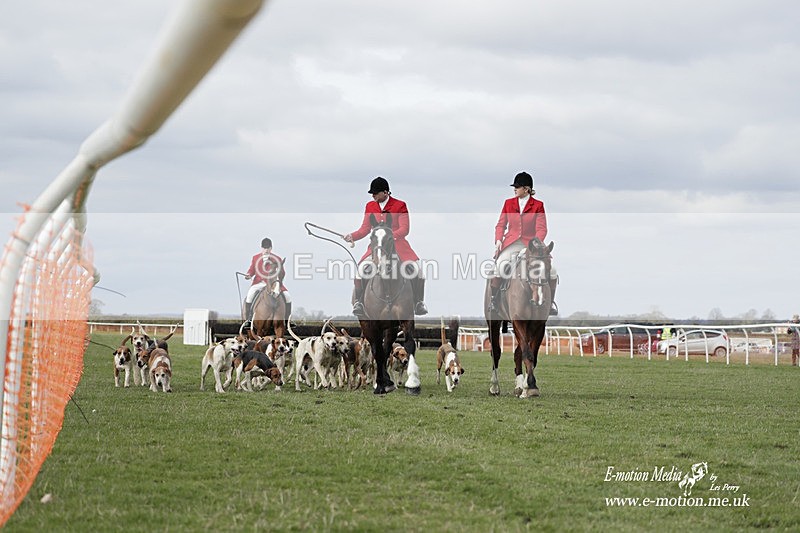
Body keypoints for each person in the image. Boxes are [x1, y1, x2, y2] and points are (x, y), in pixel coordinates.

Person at [343, 176, 428, 318]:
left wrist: (387, 236)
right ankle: (359, 302)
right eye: (372, 193)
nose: (373, 196)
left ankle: (419, 302)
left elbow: (404, 229)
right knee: (360, 271)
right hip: (376, 248)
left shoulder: (400, 205)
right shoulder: (370, 206)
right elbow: (365, 228)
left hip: (398, 246)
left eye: (376, 193)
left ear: (385, 192)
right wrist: (352, 236)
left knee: (418, 271)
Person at [488, 171, 558, 315]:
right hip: (512, 243)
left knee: (553, 270)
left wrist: (535, 244)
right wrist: (498, 240)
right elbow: (501, 225)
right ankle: (494, 300)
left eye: (517, 187)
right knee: (500, 267)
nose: (515, 189)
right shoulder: (508, 203)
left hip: (531, 244)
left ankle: (550, 304)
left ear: (526, 189)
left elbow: (541, 228)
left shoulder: (538, 205)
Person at [242, 237, 291, 326]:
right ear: (261, 248)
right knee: (249, 296)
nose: (266, 250)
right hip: (259, 283)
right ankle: (249, 320)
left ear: (271, 248)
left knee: (288, 296)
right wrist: (248, 274)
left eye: (268, 248)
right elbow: (252, 269)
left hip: (274, 284)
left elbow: (282, 273)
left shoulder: (277, 259)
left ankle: (287, 321)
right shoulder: (255, 257)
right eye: (264, 248)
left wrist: (279, 280)